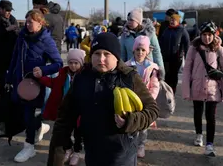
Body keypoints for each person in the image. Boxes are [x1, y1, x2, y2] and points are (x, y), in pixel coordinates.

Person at [47, 32, 159, 166]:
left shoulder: (129, 78)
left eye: (107, 54)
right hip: (93, 151)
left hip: (123, 153)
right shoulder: (82, 78)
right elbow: (65, 117)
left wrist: (130, 121)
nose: (101, 59)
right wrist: (59, 150)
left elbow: (152, 110)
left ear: (116, 57)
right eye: (97, 54)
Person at [5, 9, 63, 163]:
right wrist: (8, 78)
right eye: (27, 21)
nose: (27, 24)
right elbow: (15, 58)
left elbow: (58, 63)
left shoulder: (46, 40)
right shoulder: (22, 36)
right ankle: (40, 127)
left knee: (29, 115)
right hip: (19, 82)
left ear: (40, 23)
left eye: (31, 22)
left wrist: (43, 70)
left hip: (35, 85)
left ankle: (29, 147)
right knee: (23, 114)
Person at [182, 21, 223, 157]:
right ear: (200, 34)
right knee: (198, 112)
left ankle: (210, 144)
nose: (207, 38)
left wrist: (220, 74)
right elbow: (187, 69)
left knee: (211, 117)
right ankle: (199, 134)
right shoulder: (193, 48)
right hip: (197, 86)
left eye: (209, 34)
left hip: (213, 88)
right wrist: (187, 89)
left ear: (214, 34)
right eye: (204, 34)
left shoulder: (219, 49)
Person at [39, 49, 85, 165]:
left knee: (78, 133)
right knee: (65, 132)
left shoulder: (84, 76)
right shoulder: (63, 74)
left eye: (76, 63)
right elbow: (53, 83)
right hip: (65, 110)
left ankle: (77, 151)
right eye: (71, 63)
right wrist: (40, 78)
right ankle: (68, 148)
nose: (73, 66)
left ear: (81, 63)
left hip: (79, 111)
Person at [125, 35, 160, 158]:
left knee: (143, 126)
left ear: (147, 51)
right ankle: (131, 143)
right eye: (138, 49)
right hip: (130, 101)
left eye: (143, 50)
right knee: (131, 122)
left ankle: (141, 145)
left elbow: (155, 86)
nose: (140, 52)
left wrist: (149, 99)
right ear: (133, 50)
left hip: (145, 102)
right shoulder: (127, 66)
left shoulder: (152, 68)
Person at [120, 8, 165, 78]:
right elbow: (122, 54)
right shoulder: (125, 35)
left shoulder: (149, 33)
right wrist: (121, 69)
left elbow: (156, 52)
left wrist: (160, 69)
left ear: (138, 21)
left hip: (148, 69)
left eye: (131, 20)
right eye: (128, 20)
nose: (128, 22)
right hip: (131, 70)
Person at [160, 13, 190, 93]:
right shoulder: (167, 30)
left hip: (176, 58)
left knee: (173, 75)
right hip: (166, 57)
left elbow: (187, 44)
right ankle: (166, 92)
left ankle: (172, 91)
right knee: (166, 75)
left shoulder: (182, 30)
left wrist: (188, 57)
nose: (172, 21)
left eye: (174, 20)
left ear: (178, 21)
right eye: (171, 20)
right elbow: (161, 42)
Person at [0, 0, 18, 96]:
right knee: (2, 79)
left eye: (10, 10)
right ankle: (3, 99)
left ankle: (13, 98)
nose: (9, 13)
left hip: (11, 55)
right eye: (7, 10)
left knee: (14, 78)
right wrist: (7, 30)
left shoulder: (12, 19)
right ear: (0, 9)